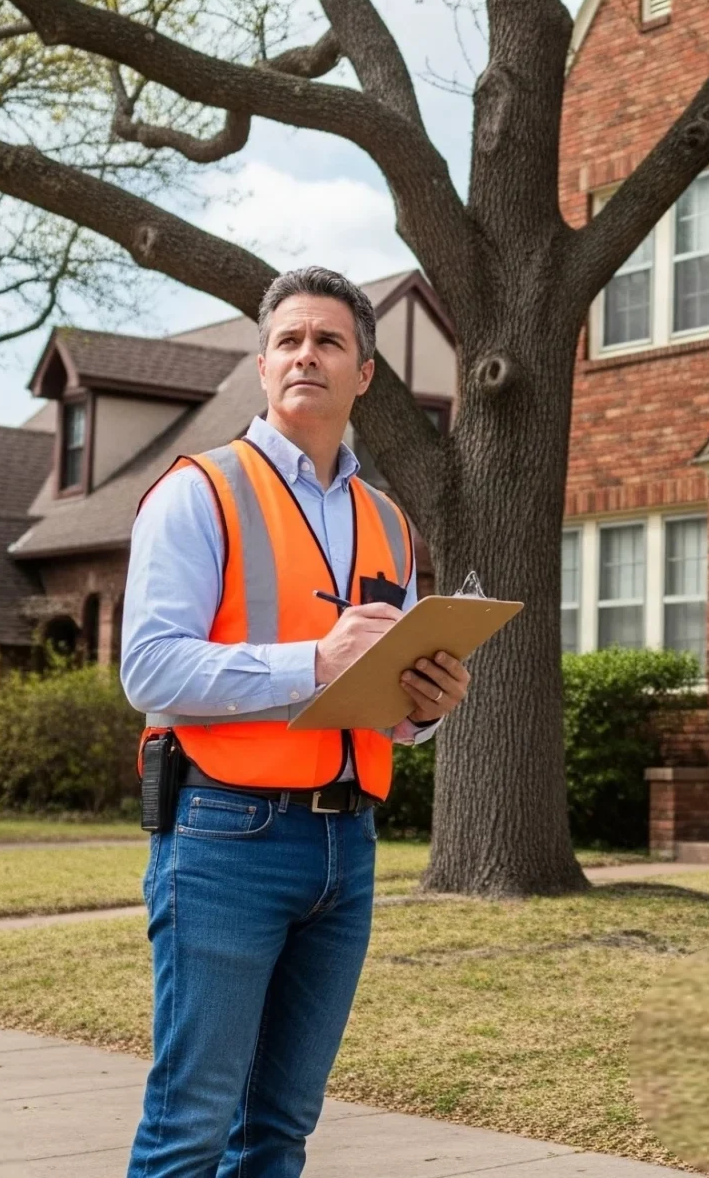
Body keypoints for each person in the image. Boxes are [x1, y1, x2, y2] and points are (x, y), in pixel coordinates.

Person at [119, 265, 470, 1178]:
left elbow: (379, 689)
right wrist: (316, 660)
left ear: (365, 375)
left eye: (328, 341)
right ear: (263, 364)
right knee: (191, 1127)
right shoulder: (199, 490)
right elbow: (148, 667)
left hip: (345, 846)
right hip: (223, 836)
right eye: (288, 339)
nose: (305, 354)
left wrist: (422, 709)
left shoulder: (386, 520)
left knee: (280, 1130)